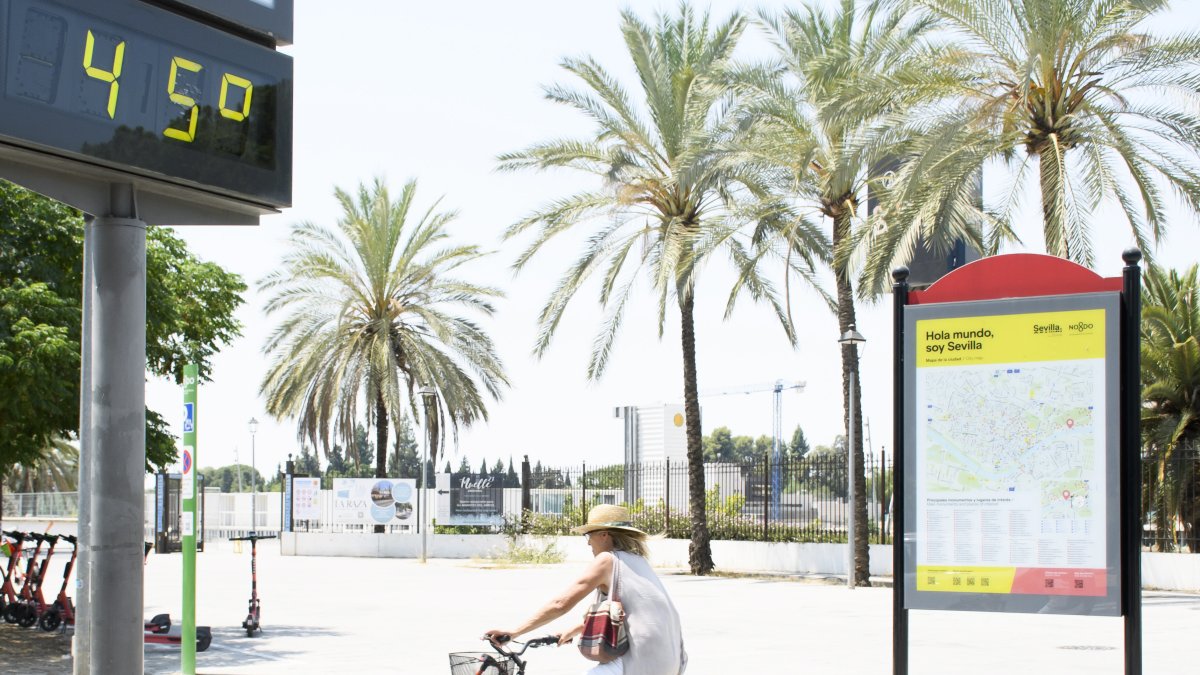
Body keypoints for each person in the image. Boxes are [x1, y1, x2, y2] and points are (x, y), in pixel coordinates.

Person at [484, 504, 687, 674]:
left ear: (604, 535)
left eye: (589, 535)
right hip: (669, 659)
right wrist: (574, 629)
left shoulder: (607, 560)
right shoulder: (637, 561)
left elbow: (560, 604)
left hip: (641, 658)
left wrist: (514, 632)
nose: (588, 542)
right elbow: (621, 613)